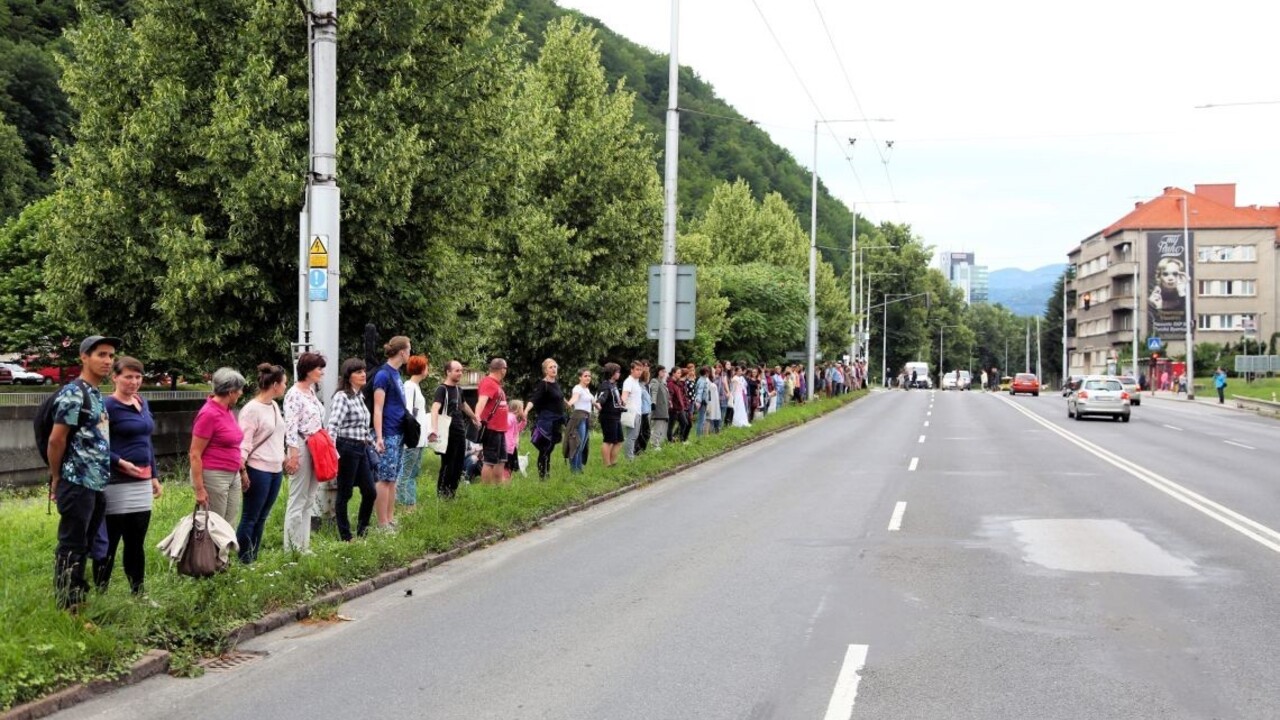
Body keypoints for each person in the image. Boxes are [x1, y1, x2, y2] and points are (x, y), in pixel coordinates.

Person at [49, 335, 118, 609]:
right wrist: (57, 477)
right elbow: (56, 439)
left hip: (96, 483)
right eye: (101, 354)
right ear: (84, 357)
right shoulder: (74, 392)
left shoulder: (95, 393)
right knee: (72, 545)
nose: (108, 361)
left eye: (111, 355)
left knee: (86, 544)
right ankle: (68, 605)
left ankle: (78, 597)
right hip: (77, 481)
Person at [94, 355, 162, 595]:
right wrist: (119, 462)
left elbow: (146, 441)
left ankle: (138, 593)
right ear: (115, 377)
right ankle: (101, 592)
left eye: (138, 377)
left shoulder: (143, 403)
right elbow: (96, 444)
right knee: (110, 542)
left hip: (141, 482)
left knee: (136, 542)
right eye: (128, 377)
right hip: (116, 482)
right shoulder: (106, 406)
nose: (134, 382)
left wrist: (154, 475)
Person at [236, 363, 287, 563]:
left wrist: (284, 456)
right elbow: (244, 442)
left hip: (275, 469)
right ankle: (244, 559)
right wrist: (242, 470)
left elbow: (278, 436)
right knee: (250, 516)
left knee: (262, 516)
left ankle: (253, 557)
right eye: (284, 383)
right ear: (275, 385)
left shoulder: (273, 406)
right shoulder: (251, 409)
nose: (285, 387)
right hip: (258, 468)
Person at [326, 359, 378, 540]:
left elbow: (361, 427)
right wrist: (332, 452)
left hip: (361, 447)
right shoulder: (342, 396)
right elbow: (333, 425)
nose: (363, 374)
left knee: (370, 491)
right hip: (346, 447)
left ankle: (363, 531)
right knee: (345, 492)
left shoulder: (359, 396)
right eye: (358, 372)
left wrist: (374, 443)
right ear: (349, 376)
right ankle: (346, 536)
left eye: (363, 371)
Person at [190, 368, 247, 525]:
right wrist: (199, 489)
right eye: (239, 390)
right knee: (214, 524)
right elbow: (195, 453)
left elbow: (232, 444)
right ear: (230, 392)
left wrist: (242, 470)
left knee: (229, 524)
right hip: (214, 475)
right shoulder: (209, 414)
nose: (241, 393)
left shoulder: (227, 410)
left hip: (232, 473)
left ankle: (226, 545)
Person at [283, 352, 327, 553]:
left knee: (309, 498)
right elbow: (291, 427)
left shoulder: (310, 391)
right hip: (300, 445)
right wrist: (293, 455)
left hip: (315, 445)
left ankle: (304, 545)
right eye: (319, 368)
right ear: (308, 370)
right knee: (298, 498)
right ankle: (291, 547)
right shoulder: (294, 394)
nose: (322, 372)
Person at [371, 336, 411, 529]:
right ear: (402, 352)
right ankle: (382, 522)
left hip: (399, 431)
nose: (410, 353)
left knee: (393, 477)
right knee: (384, 477)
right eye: (409, 350)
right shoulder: (383, 375)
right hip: (387, 432)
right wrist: (379, 437)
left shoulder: (396, 374)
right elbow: (378, 408)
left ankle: (390, 518)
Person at [430, 360, 476, 498]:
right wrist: (434, 429)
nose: (460, 373)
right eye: (457, 370)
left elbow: (463, 405)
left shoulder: (458, 389)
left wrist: (475, 418)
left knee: (458, 463)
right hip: (446, 432)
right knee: (448, 463)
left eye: (461, 370)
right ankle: (442, 494)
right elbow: (435, 408)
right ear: (448, 372)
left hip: (459, 431)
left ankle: (452, 493)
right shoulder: (442, 389)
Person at [397, 354, 431, 509]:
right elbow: (408, 412)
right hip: (413, 438)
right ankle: (404, 505)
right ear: (422, 369)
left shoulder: (416, 387)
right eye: (426, 366)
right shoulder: (409, 386)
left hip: (420, 438)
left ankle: (411, 504)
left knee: (413, 472)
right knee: (406, 473)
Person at [473, 357, 511, 484]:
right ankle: (486, 489)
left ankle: (497, 486)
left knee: (501, 459)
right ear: (502, 369)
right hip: (492, 428)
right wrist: (477, 416)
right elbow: (481, 402)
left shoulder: (496, 384)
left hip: (500, 428)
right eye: (505, 368)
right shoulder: (488, 382)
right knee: (489, 461)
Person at [528, 358, 565, 479]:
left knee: (550, 449)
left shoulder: (555, 383)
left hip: (556, 421)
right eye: (551, 367)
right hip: (546, 421)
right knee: (544, 449)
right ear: (545, 370)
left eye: (555, 367)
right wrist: (525, 411)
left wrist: (568, 403)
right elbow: (534, 399)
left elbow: (559, 398)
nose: (554, 369)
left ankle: (547, 474)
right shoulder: (543, 385)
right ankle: (542, 477)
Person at [565, 368, 596, 472]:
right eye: (585, 376)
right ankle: (574, 470)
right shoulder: (577, 388)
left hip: (586, 418)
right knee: (576, 444)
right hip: (579, 418)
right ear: (580, 377)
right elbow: (575, 398)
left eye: (589, 376)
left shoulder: (587, 390)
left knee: (582, 445)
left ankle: (579, 468)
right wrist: (570, 403)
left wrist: (599, 406)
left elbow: (593, 402)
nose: (588, 378)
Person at [597, 362, 623, 466]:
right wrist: (599, 403)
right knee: (608, 441)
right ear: (612, 373)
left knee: (619, 441)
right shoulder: (605, 385)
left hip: (616, 415)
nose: (619, 373)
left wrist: (621, 403)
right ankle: (606, 464)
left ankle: (613, 462)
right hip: (608, 416)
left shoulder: (614, 385)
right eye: (618, 372)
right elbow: (602, 397)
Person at [621, 361, 644, 459]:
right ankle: (629, 458)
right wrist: (623, 406)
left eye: (641, 370)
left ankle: (630, 456)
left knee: (634, 435)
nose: (639, 372)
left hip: (638, 412)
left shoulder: (636, 382)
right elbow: (624, 397)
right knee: (631, 436)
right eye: (637, 369)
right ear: (632, 370)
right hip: (632, 413)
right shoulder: (629, 381)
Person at [503, 399, 528, 480]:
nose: (523, 411)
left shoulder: (513, 417)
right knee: (507, 466)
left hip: (511, 447)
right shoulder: (510, 417)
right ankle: (505, 481)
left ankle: (507, 479)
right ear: (518, 409)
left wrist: (524, 420)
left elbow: (517, 429)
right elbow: (506, 425)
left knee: (510, 465)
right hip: (507, 446)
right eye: (522, 408)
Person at [648, 365, 670, 450]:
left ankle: (656, 443)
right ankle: (654, 445)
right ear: (658, 372)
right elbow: (654, 393)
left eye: (665, 371)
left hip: (663, 409)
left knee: (660, 428)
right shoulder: (654, 381)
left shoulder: (663, 383)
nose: (664, 373)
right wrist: (653, 403)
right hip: (658, 409)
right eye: (662, 371)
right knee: (657, 428)